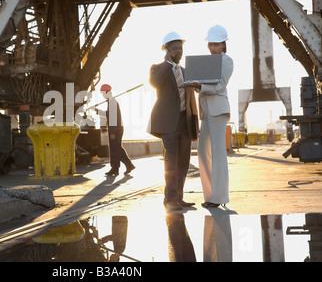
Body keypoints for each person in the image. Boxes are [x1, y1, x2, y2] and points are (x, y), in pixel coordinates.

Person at [147, 31, 199, 211]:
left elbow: (198, 91)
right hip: (168, 122)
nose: (178, 51)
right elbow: (154, 82)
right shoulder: (157, 68)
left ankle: (179, 197)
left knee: (183, 162)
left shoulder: (187, 71)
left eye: (180, 48)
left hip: (186, 121)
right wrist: (168, 63)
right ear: (167, 51)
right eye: (174, 48)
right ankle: (169, 199)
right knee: (171, 160)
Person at [185, 25, 233, 208]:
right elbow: (203, 87)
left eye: (216, 44)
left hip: (218, 110)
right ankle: (210, 196)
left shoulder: (226, 61)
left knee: (218, 154)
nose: (212, 48)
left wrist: (200, 86)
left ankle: (219, 198)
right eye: (210, 44)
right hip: (206, 111)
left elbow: (220, 85)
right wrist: (196, 85)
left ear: (223, 44)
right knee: (203, 154)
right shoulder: (207, 62)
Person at [98, 84, 135, 176]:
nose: (102, 95)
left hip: (115, 129)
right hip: (116, 128)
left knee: (115, 149)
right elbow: (108, 114)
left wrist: (113, 132)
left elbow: (113, 118)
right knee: (117, 148)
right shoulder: (111, 102)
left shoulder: (112, 102)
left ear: (107, 92)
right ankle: (127, 166)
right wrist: (97, 111)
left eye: (103, 93)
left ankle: (115, 168)